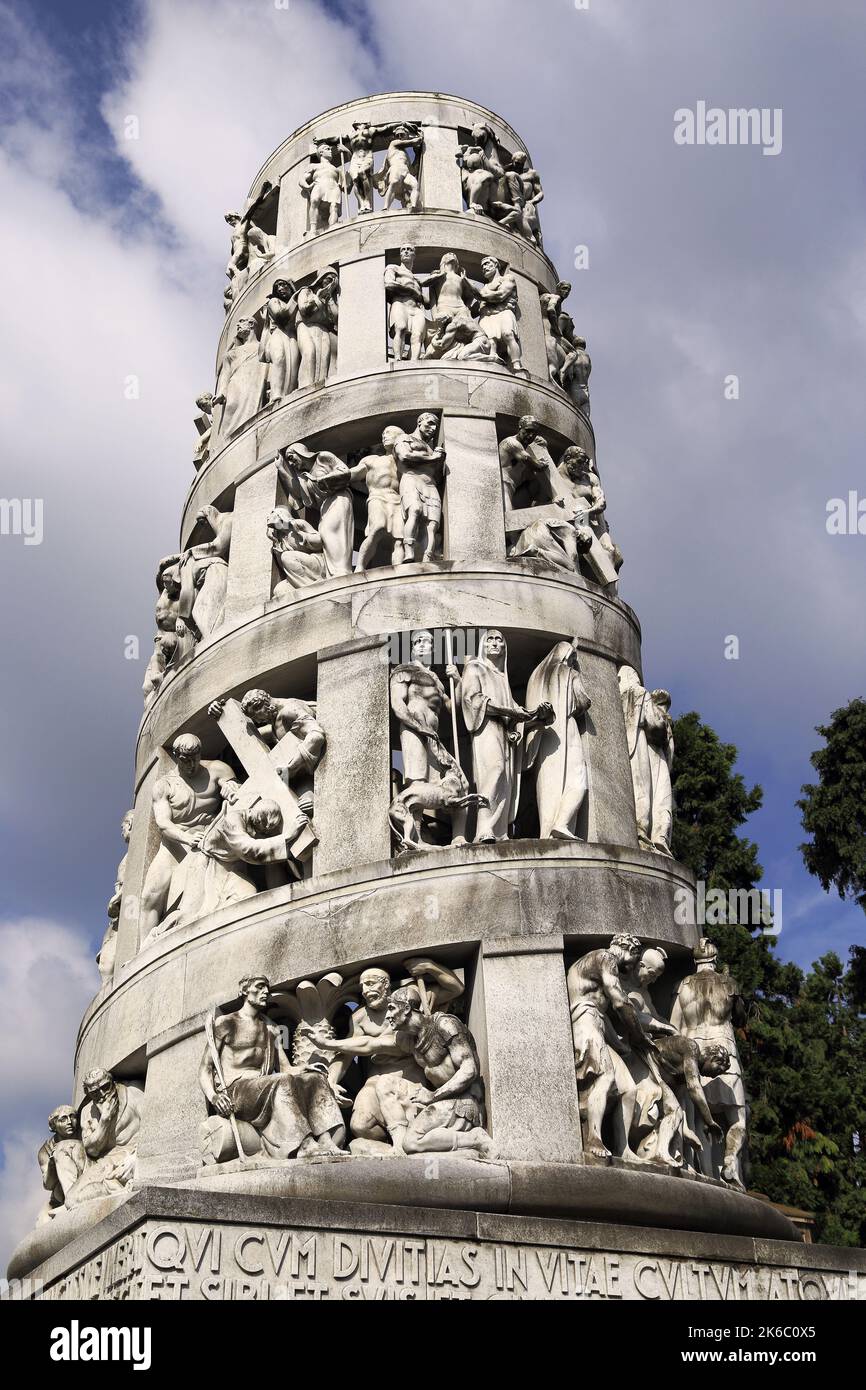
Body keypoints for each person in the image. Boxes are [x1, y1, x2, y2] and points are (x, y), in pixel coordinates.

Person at [310, 984, 494, 1157]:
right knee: (385, 1082)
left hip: (462, 1101)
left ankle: (475, 1138)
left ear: (406, 1009)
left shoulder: (444, 1025)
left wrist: (433, 1096)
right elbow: (370, 1044)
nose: (387, 1015)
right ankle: (398, 1147)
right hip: (438, 1100)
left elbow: (469, 1070)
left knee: (413, 1142)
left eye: (391, 1008)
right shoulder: (409, 1039)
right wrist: (328, 1043)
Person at [199, 976, 347, 1160]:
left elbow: (286, 1068)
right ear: (244, 991)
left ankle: (327, 1139)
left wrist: (306, 1068)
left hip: (263, 1087)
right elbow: (205, 1069)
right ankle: (304, 1145)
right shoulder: (226, 1023)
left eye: (267, 988)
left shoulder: (271, 1028)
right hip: (235, 1091)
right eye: (259, 987)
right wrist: (214, 1097)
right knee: (280, 1080)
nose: (266, 992)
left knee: (314, 1079)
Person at [324, 960, 462, 1154]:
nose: (364, 990)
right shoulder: (360, 1017)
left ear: (386, 984)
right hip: (374, 1081)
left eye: (370, 983)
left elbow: (455, 988)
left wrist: (429, 967)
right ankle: (394, 1148)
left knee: (414, 1120)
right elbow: (347, 1053)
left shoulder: (410, 999)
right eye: (362, 986)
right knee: (359, 1125)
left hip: (409, 1077)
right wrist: (331, 1080)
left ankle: (407, 1145)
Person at [139, 734, 237, 940]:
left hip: (209, 837)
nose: (192, 764)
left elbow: (236, 792)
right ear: (176, 757)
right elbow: (164, 824)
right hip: (175, 844)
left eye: (195, 757)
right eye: (185, 759)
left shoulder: (218, 769)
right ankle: (144, 948)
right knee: (150, 896)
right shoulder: (164, 785)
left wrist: (231, 787)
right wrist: (185, 837)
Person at [458, 629, 552, 842]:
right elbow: (472, 700)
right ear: (482, 645)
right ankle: (483, 827)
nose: (494, 643)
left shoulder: (502, 678)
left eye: (498, 640)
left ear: (504, 648)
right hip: (485, 728)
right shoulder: (474, 668)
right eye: (489, 639)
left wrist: (537, 715)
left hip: (504, 733)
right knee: (495, 771)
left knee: (506, 781)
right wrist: (510, 712)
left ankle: (499, 832)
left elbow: (514, 712)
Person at [670, 939, 749, 1189]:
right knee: (738, 1118)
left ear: (695, 960)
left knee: (699, 1119)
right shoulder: (727, 983)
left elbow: (674, 1026)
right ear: (714, 959)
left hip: (693, 1054)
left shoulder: (681, 986)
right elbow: (740, 1017)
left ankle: (703, 1171)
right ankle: (729, 1160)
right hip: (725, 1052)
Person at [524, 639, 592, 839]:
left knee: (547, 784)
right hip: (567, 729)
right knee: (578, 778)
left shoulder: (535, 677)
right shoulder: (569, 673)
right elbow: (582, 701)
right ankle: (562, 822)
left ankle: (547, 830)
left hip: (541, 733)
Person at [277, 442, 354, 577]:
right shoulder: (303, 476)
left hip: (339, 499)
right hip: (325, 507)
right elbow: (298, 494)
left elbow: (345, 472)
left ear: (300, 452)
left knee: (331, 532)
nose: (291, 463)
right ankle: (334, 572)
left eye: (291, 457)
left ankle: (342, 570)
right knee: (326, 534)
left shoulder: (323, 458)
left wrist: (320, 479)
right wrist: (282, 469)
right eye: (288, 461)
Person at [348, 425, 405, 569]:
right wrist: (336, 475)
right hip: (378, 497)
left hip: (398, 500)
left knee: (399, 538)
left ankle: (397, 570)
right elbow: (353, 474)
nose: (384, 436)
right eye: (383, 433)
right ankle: (360, 567)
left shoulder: (405, 462)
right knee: (377, 529)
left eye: (389, 433)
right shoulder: (372, 459)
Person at [393, 413, 446, 563]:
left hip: (430, 484)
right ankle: (408, 552)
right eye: (429, 423)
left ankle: (427, 556)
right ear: (419, 422)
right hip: (411, 479)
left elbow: (438, 476)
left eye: (435, 426)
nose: (433, 428)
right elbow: (404, 456)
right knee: (415, 510)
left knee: (433, 523)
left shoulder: (431, 448)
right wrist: (432, 459)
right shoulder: (404, 438)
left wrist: (439, 461)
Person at [37, 1106, 86, 1222]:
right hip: (60, 1193)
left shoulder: (83, 1132)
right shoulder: (45, 1150)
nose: (69, 1122)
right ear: (53, 1126)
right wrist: (51, 1165)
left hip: (85, 1172)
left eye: (72, 1117)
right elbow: (48, 1185)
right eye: (63, 1119)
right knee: (42, 1221)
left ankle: (73, 1200)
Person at [476, 257, 525, 373]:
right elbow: (476, 309)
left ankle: (517, 365)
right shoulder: (484, 288)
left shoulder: (507, 279)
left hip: (504, 312)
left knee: (508, 334)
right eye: (482, 266)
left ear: (496, 264)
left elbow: (500, 295)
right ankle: (492, 364)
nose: (484, 268)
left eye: (487, 264)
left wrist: (478, 294)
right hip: (487, 316)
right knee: (490, 342)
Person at [385, 246, 427, 361]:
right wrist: (411, 290)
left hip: (416, 309)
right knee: (401, 328)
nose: (406, 251)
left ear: (414, 255)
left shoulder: (416, 279)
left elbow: (426, 302)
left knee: (418, 336)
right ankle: (398, 359)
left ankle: (414, 363)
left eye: (409, 249)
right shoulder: (393, 268)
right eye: (403, 250)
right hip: (400, 303)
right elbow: (388, 284)